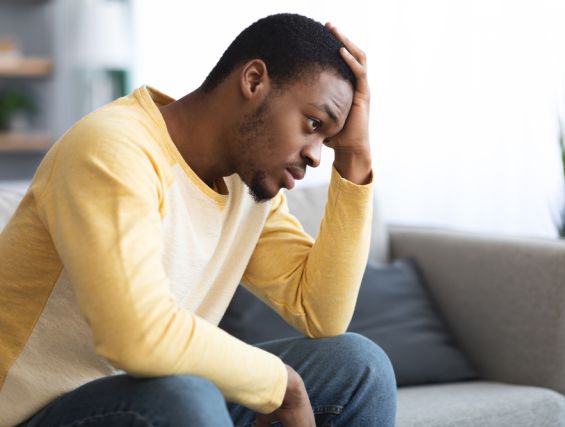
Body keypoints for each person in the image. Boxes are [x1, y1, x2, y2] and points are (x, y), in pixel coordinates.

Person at [0, 13, 397, 427]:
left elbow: (321, 313)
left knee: (358, 367)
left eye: (328, 140)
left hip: (159, 399)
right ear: (255, 80)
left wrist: (355, 157)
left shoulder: (249, 184)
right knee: (182, 393)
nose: (317, 155)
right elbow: (138, 336)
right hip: (33, 413)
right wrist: (283, 384)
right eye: (313, 124)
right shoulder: (114, 148)